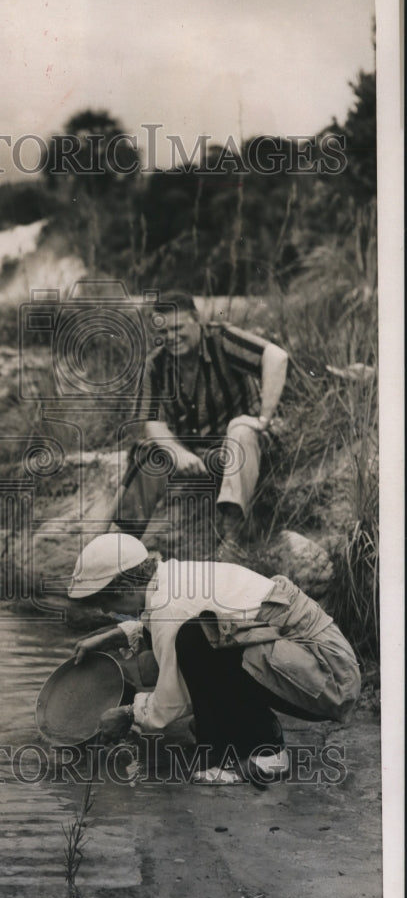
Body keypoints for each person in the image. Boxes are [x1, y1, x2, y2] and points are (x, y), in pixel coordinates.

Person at [67, 533, 361, 784]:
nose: (106, 611)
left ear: (126, 586)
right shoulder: (168, 578)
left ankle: (268, 753)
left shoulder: (172, 607)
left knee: (193, 641)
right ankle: (230, 731)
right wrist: (116, 635)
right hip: (304, 657)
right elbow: (160, 626)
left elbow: (172, 700)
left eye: (106, 601)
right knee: (174, 651)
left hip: (330, 675)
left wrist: (128, 714)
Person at [117, 291, 288, 554]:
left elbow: (276, 357)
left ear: (196, 319)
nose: (171, 338)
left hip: (243, 449)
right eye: (164, 331)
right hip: (198, 456)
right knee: (148, 455)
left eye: (178, 328)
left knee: (240, 431)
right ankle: (122, 547)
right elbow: (151, 421)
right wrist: (178, 453)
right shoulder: (155, 365)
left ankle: (233, 540)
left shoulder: (221, 339)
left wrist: (263, 419)